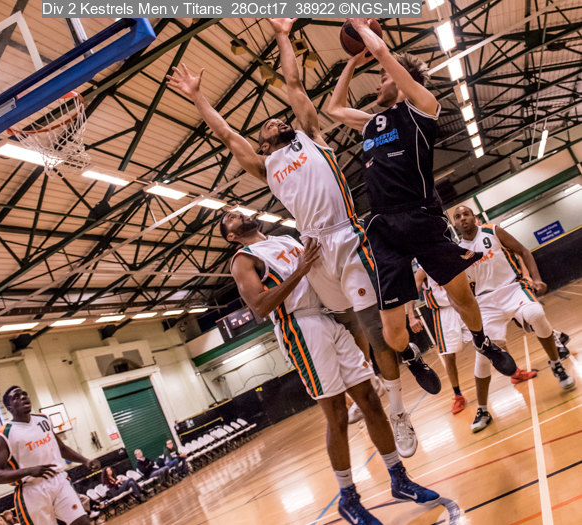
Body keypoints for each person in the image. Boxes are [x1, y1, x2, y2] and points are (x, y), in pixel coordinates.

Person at [167, 18, 442, 459]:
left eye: (278, 118)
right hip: (314, 252)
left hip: (346, 237)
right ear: (262, 145)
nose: (275, 120)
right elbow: (227, 135)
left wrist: (282, 35)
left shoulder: (310, 137)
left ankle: (398, 408)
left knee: (374, 328)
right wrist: (198, 97)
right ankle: (391, 364)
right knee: (349, 327)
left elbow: (293, 83)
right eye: (266, 126)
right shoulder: (264, 167)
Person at [325, 19, 518, 391]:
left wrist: (364, 31)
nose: (377, 84)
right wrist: (351, 61)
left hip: (422, 215)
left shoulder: (423, 109)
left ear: (401, 81)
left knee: (461, 295)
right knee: (392, 331)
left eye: (383, 77)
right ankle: (412, 356)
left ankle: (482, 341)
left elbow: (384, 52)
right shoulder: (370, 124)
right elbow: (334, 108)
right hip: (383, 226)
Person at [221, 209, 440, 524]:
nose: (236, 214)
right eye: (229, 218)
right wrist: (300, 270)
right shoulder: (243, 259)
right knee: (336, 414)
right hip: (299, 327)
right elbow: (260, 306)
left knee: (369, 399)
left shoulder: (286, 239)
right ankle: (349, 499)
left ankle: (399, 478)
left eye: (235, 211)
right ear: (231, 236)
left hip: (329, 317)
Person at [453, 206, 576, 429]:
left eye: (466, 214)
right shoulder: (456, 251)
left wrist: (536, 279)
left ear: (474, 217)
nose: (463, 219)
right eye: (458, 217)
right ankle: (483, 410)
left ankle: (556, 365)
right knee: (483, 356)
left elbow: (524, 251)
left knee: (535, 313)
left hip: (512, 288)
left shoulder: (493, 231)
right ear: (455, 224)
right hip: (485, 303)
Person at [410, 267, 537, 420]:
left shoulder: (449, 256)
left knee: (491, 338)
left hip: (463, 303)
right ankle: (458, 396)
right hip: (444, 313)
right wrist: (411, 317)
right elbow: (412, 291)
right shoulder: (423, 270)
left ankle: (515, 372)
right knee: (449, 355)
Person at [0, 386, 101, 525]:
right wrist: (29, 471)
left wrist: (86, 461)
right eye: (16, 397)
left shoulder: (43, 419)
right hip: (32, 489)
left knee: (82, 522)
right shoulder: (4, 435)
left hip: (59, 481)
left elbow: (61, 448)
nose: (23, 397)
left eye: (24, 394)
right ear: (9, 407)